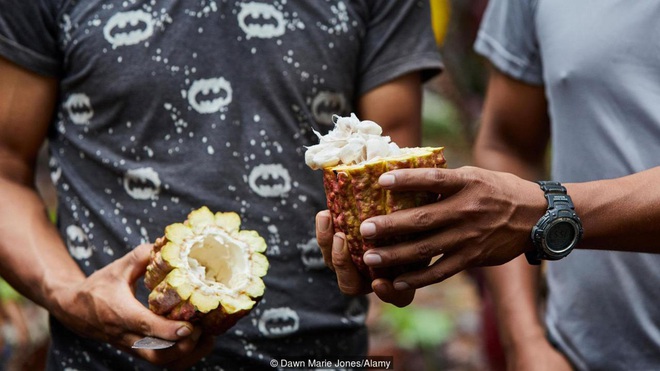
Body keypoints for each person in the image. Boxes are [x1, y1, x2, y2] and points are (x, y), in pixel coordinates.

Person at [0, 1, 442, 369]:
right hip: (105, 359)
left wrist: (394, 257)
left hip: (320, 355)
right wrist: (72, 295)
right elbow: (5, 171)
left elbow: (388, 175)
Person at [316, 0, 660, 369]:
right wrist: (524, 341)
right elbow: (507, 145)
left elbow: (524, 209)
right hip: (576, 352)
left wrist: (544, 213)